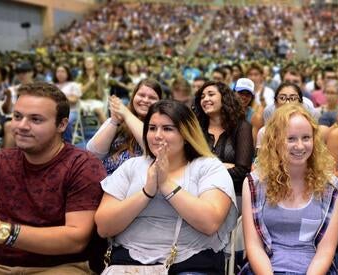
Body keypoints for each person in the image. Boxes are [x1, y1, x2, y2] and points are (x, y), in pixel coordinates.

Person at [95, 100, 238, 274]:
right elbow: (104, 227)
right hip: (128, 264)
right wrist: (147, 192)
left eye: (168, 129)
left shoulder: (208, 167)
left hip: (191, 263)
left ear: (186, 135)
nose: (157, 135)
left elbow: (210, 222)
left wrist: (165, 184)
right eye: (152, 128)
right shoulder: (131, 167)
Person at [0, 82, 106, 274]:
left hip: (61, 267)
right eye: (17, 116)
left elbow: (75, 239)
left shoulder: (82, 166)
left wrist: (4, 232)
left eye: (36, 120)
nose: (21, 126)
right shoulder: (0, 161)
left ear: (62, 125)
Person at [241, 104, 338, 274]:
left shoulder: (330, 187)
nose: (300, 146)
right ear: (275, 140)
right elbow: (254, 247)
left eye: (306, 138)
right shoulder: (255, 183)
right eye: (291, 139)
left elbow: (326, 252)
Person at [86, 78, 162, 175]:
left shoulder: (161, 128)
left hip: (134, 182)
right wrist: (114, 122)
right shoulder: (119, 120)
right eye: (141, 95)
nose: (145, 100)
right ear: (133, 96)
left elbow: (150, 145)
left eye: (152, 98)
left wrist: (126, 113)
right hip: (105, 176)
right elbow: (93, 153)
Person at [193, 81, 254, 196]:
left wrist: (205, 171)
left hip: (233, 193)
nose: (205, 99)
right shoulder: (197, 128)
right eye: (202, 96)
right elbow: (189, 165)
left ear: (224, 98)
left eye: (211, 94)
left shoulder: (242, 127)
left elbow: (242, 171)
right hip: (197, 192)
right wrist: (223, 166)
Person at [53, 64, 82, 143]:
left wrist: (59, 95)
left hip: (71, 111)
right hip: (54, 111)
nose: (60, 73)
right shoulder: (53, 85)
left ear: (67, 73)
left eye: (62, 71)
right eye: (58, 71)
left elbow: (74, 100)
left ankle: (67, 144)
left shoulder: (73, 85)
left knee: (65, 121)